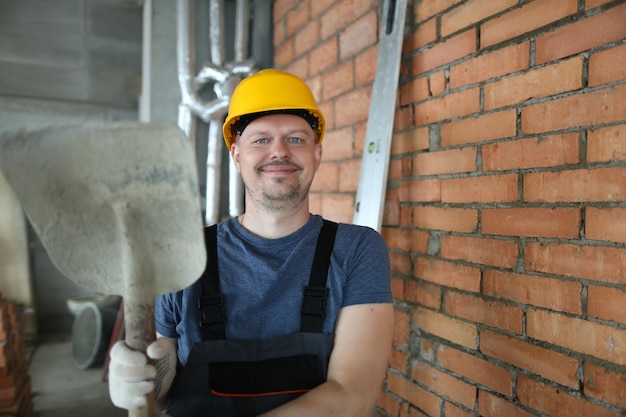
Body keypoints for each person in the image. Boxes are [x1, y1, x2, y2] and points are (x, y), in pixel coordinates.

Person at [108, 69, 394, 417]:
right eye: (260, 140)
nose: (279, 152)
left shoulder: (356, 250)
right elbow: (165, 357)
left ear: (317, 154)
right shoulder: (184, 253)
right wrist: (137, 381)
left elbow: (352, 397)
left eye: (296, 139)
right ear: (237, 155)